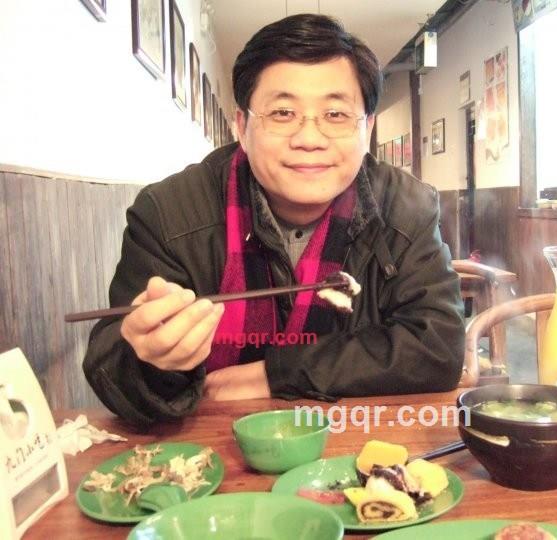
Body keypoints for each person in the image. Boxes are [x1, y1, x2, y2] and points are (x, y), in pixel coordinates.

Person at [83, 14, 464, 426]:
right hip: (208, 442)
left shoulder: (407, 208)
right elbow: (111, 366)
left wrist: (276, 373)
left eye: (336, 114)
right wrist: (153, 360)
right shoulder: (169, 212)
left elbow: (437, 346)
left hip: (357, 441)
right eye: (283, 113)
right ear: (242, 126)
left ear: (367, 128)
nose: (309, 138)